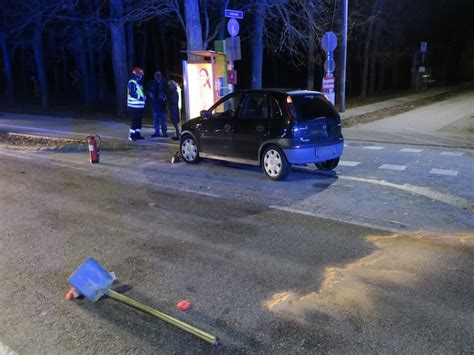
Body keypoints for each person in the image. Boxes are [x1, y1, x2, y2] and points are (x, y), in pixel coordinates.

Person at [147, 71, 168, 137]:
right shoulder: (152, 83)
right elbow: (148, 90)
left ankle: (164, 132)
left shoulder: (164, 83)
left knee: (163, 118)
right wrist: (149, 94)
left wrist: (164, 96)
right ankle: (157, 132)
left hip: (162, 104)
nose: (157, 77)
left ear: (161, 76)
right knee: (156, 118)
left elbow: (168, 92)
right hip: (155, 104)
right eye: (156, 75)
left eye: (158, 75)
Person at [127, 67, 146, 141]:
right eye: (140, 75)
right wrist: (141, 98)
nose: (141, 77)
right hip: (134, 106)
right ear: (137, 75)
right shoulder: (132, 82)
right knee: (135, 121)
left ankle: (137, 134)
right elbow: (132, 93)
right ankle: (131, 135)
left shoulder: (138, 84)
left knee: (139, 121)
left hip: (139, 107)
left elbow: (139, 93)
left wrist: (144, 97)